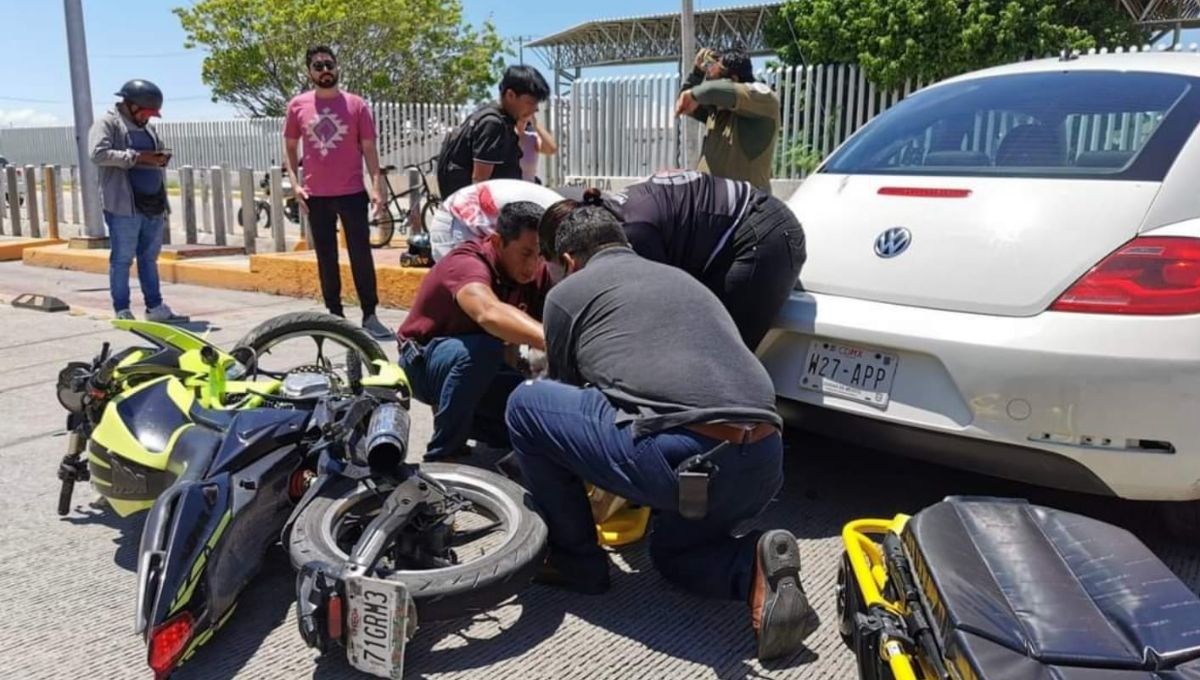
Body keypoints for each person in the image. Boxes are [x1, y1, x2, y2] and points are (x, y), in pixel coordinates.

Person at [506, 205, 818, 661]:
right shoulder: (685, 280)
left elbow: (569, 407)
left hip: (683, 457)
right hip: (763, 460)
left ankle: (576, 562)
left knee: (526, 406)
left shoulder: (570, 292)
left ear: (569, 260)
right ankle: (751, 563)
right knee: (674, 559)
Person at [547, 171, 806, 349]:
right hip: (742, 232)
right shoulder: (608, 212)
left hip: (762, 236)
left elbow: (656, 313)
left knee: (716, 355)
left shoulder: (632, 234)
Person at [397, 201, 553, 461]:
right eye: (526, 253)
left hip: (485, 370)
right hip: (424, 364)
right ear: (497, 241)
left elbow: (555, 316)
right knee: (481, 350)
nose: (532, 265)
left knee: (535, 419)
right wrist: (555, 341)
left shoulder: (537, 274)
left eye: (540, 255)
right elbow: (488, 313)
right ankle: (443, 456)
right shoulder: (467, 263)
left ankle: (468, 422)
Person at [283, 45, 391, 340]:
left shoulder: (357, 105)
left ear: (337, 66)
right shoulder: (297, 106)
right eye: (317, 66)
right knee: (326, 257)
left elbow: (369, 148)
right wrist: (295, 183)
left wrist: (376, 187)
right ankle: (334, 316)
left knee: (361, 255)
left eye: (328, 64)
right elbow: (290, 146)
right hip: (316, 195)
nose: (324, 70)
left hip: (353, 192)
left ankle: (370, 314)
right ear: (309, 72)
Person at [88, 79, 184, 322]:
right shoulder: (107, 123)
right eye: (145, 113)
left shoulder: (149, 128)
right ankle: (122, 310)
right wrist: (138, 157)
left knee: (148, 258)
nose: (147, 118)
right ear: (131, 105)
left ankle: (155, 307)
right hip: (124, 205)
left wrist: (159, 157)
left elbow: (153, 153)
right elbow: (98, 154)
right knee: (122, 259)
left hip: (152, 204)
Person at [436, 65, 550, 199]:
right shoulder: (492, 124)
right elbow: (480, 181)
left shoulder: (497, 118)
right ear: (510, 95)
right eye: (530, 102)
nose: (536, 109)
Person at [675, 47, 780, 191]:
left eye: (713, 78)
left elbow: (710, 91)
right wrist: (697, 73)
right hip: (714, 204)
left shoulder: (763, 100)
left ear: (733, 80)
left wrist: (694, 93)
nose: (708, 80)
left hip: (746, 206)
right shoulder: (718, 112)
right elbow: (684, 104)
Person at [427, 179, 565, 262]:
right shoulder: (562, 221)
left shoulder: (567, 215)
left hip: (484, 218)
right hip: (458, 219)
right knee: (466, 281)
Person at [518, 114, 557, 184]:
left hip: (528, 189)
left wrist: (535, 124)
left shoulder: (532, 138)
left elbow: (552, 149)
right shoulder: (503, 138)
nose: (520, 124)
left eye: (524, 121)